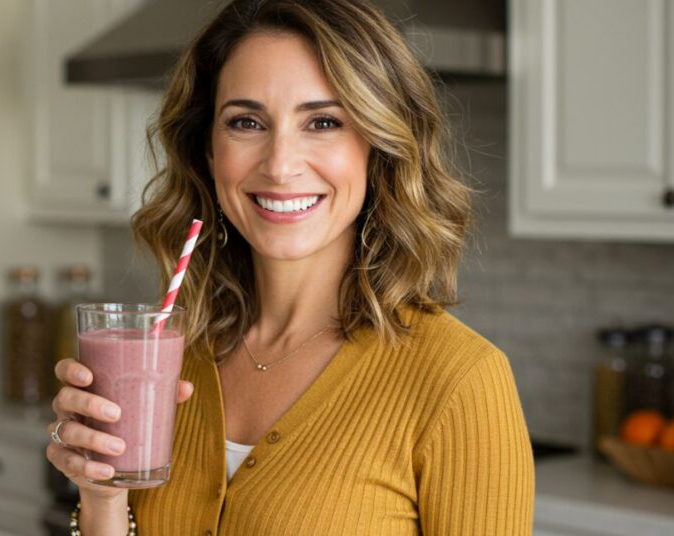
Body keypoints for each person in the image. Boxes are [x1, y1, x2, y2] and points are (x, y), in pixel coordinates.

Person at [45, 0, 534, 534]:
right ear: (208, 151)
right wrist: (102, 498)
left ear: (378, 148)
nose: (279, 164)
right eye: (246, 122)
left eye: (323, 122)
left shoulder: (460, 380)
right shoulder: (168, 358)